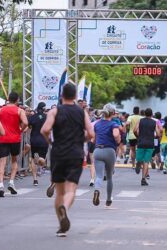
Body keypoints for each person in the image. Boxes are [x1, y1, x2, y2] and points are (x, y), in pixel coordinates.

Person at [41, 83, 94, 237]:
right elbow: (91, 133)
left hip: (58, 153)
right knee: (71, 189)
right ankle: (65, 207)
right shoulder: (82, 112)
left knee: (59, 191)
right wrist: (82, 140)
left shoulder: (54, 111)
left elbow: (45, 129)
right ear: (76, 96)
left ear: (61, 95)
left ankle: (61, 226)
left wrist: (50, 141)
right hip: (75, 153)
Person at [0, 92, 28, 197]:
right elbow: (26, 122)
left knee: (2, 162)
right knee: (14, 160)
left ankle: (1, 184)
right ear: (17, 100)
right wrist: (21, 130)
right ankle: (11, 182)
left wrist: (0, 130)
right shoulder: (20, 110)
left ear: (8, 99)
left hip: (3, 138)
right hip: (15, 138)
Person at [92, 104, 120, 207]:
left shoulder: (97, 124)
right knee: (109, 177)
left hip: (97, 150)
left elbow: (92, 139)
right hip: (109, 151)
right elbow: (116, 134)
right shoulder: (113, 124)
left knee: (99, 175)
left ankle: (96, 190)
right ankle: (108, 199)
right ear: (112, 113)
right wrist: (117, 139)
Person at [134, 108, 160, 186]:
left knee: (139, 159)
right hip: (150, 143)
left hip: (141, 142)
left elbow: (135, 130)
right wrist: (154, 137)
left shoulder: (140, 121)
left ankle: (138, 164)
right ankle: (143, 179)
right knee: (146, 162)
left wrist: (138, 136)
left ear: (144, 114)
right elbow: (158, 134)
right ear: (152, 114)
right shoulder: (154, 122)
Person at [28, 102, 48, 186]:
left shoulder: (32, 117)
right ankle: (40, 161)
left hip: (34, 139)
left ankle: (35, 179)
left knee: (33, 158)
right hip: (44, 140)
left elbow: (29, 126)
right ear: (44, 108)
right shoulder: (47, 117)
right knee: (42, 159)